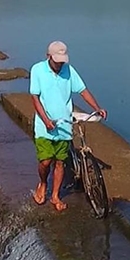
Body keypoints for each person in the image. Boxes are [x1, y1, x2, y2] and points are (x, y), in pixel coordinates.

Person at [29, 40, 105, 211]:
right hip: (44, 126)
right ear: (48, 56)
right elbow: (34, 97)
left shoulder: (69, 71)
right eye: (57, 60)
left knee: (60, 162)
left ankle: (55, 196)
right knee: (46, 161)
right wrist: (46, 120)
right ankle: (42, 183)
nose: (60, 63)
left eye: (62, 60)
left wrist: (97, 108)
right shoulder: (37, 70)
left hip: (64, 125)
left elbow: (83, 90)